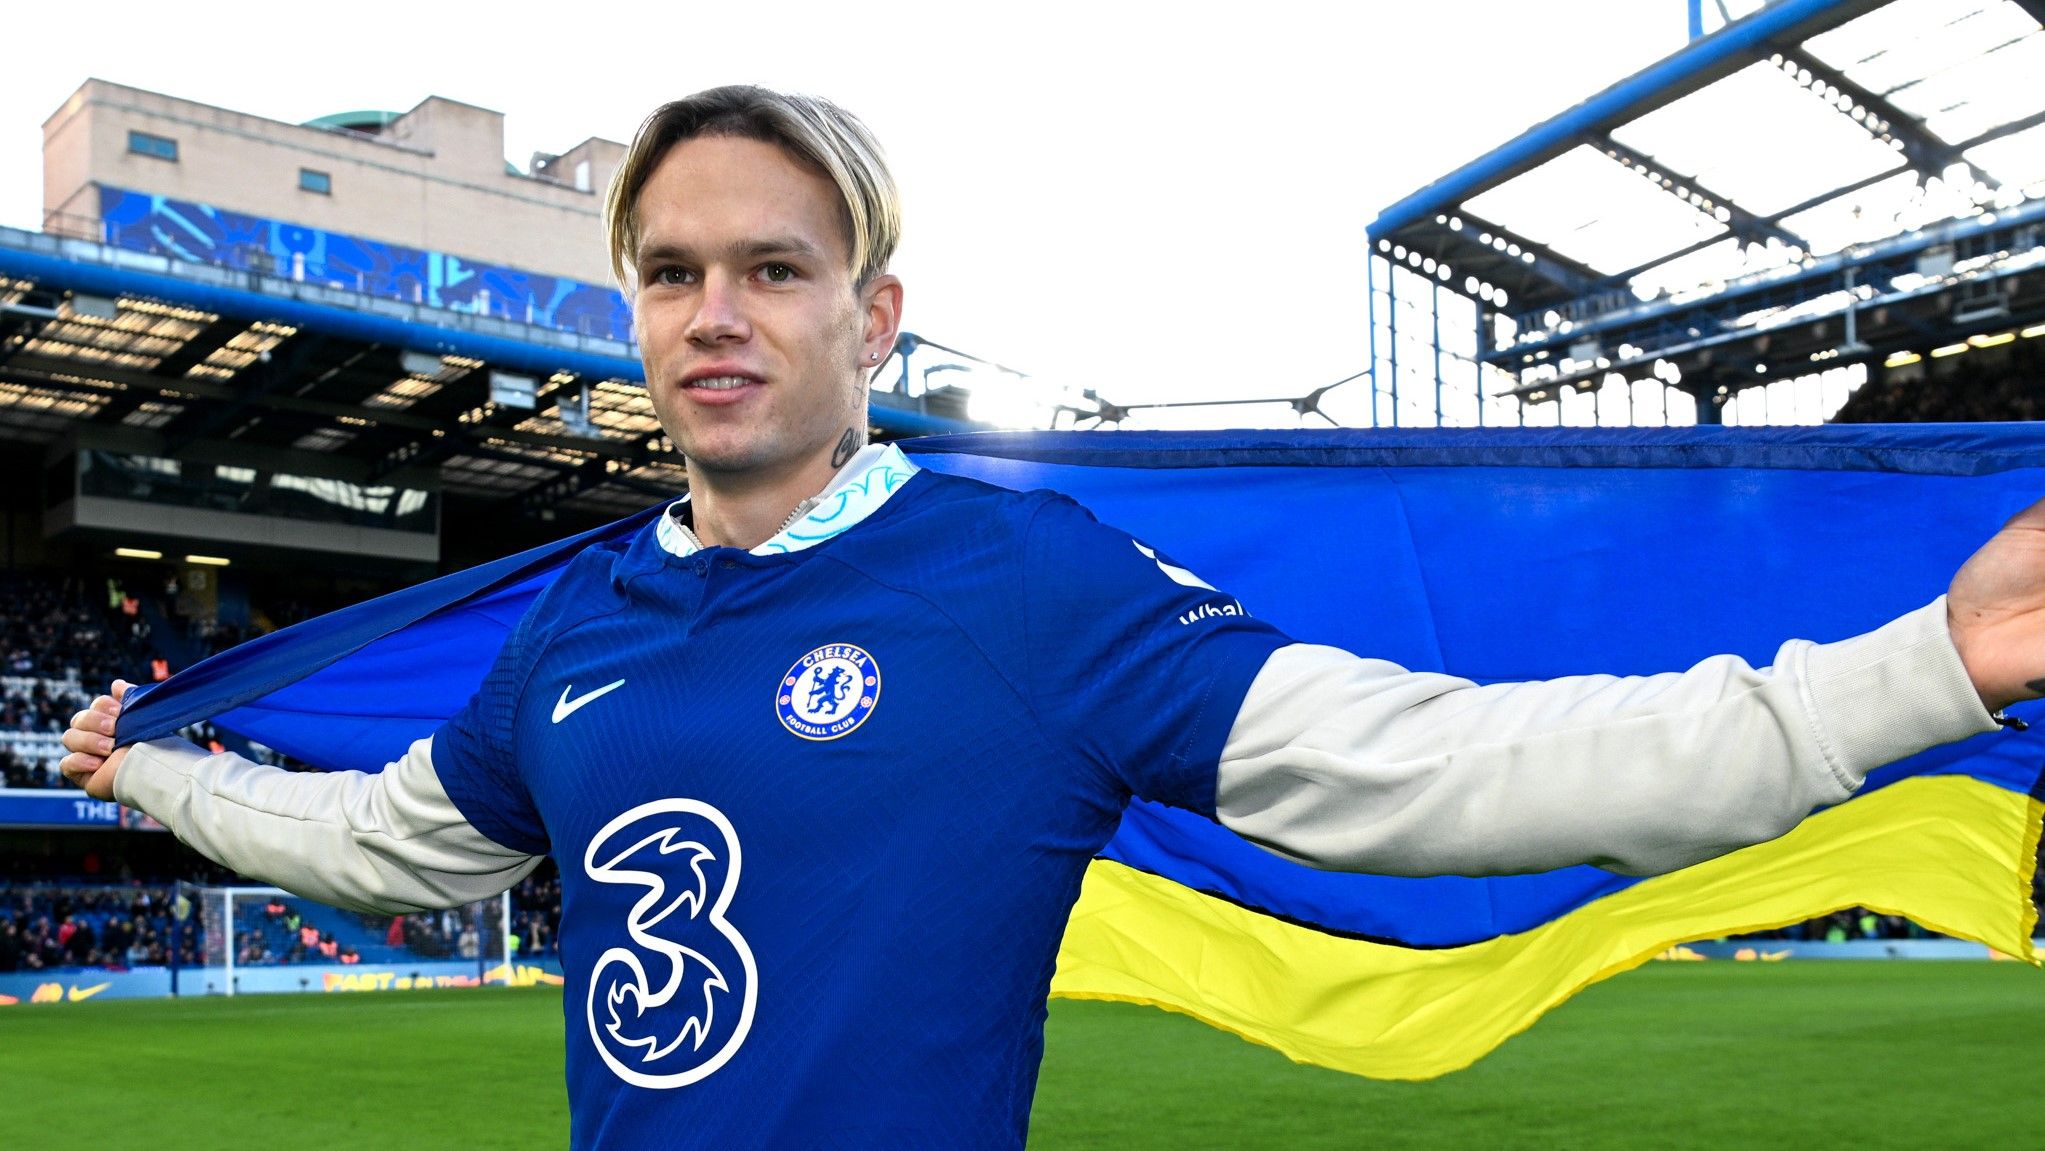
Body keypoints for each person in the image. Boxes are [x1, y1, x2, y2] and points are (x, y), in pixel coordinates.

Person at [59, 85, 2037, 1148]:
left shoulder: (1026, 587)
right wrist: (151, 775)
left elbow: (1443, 771)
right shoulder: (574, 624)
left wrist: (1917, 669)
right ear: (634, 314)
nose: (717, 315)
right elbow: (390, 842)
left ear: (873, 319)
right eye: (671, 273)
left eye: (773, 269)